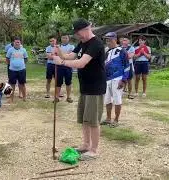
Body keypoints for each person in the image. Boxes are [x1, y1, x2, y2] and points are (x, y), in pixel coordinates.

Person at [53, 18, 106, 160]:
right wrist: (60, 53)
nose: (77, 36)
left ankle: (94, 150)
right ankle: (85, 144)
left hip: (95, 87)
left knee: (93, 120)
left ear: (86, 29)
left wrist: (62, 62)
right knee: (85, 118)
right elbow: (71, 55)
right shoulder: (82, 43)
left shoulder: (96, 44)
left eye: (78, 33)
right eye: (76, 34)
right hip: (85, 86)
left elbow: (82, 63)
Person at [100, 32, 129, 127]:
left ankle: (116, 120)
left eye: (110, 40)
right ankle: (108, 118)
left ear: (115, 39)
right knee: (107, 100)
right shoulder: (107, 52)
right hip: (107, 79)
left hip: (118, 78)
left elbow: (127, 66)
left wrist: (124, 80)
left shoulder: (122, 51)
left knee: (117, 100)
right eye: (107, 40)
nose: (108, 42)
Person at [6, 37, 28, 102]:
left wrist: (21, 64)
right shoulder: (10, 50)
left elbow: (26, 59)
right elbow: (7, 59)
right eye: (16, 42)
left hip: (22, 70)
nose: (17, 43)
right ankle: (11, 99)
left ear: (20, 43)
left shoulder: (23, 50)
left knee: (22, 84)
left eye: (18, 42)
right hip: (12, 70)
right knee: (12, 84)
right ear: (13, 43)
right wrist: (12, 65)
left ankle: (24, 97)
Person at [55, 34, 75, 103]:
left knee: (68, 82)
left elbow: (70, 55)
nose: (64, 39)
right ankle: (57, 97)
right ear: (61, 39)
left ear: (68, 39)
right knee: (58, 83)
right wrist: (65, 54)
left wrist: (61, 54)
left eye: (66, 38)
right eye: (63, 38)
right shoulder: (58, 46)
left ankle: (68, 97)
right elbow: (55, 55)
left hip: (68, 66)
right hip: (59, 66)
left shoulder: (72, 47)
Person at [120, 35, 135, 99]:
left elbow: (130, 56)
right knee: (121, 79)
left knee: (129, 80)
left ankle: (130, 93)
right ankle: (121, 93)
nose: (124, 41)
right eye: (123, 40)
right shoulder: (120, 48)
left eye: (125, 40)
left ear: (128, 41)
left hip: (129, 65)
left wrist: (123, 54)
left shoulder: (131, 48)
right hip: (121, 66)